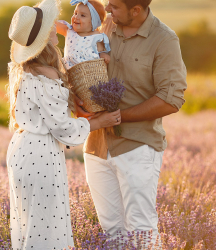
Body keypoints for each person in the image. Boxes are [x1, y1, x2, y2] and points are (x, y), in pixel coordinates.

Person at [5, 0, 122, 248]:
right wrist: (98, 121)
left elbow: (47, 110)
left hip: (22, 150)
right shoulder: (45, 74)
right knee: (46, 229)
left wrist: (73, 105)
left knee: (30, 225)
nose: (54, 28)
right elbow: (63, 130)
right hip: (40, 155)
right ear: (44, 37)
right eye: (49, 26)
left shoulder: (28, 68)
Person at [75, 0, 188, 248]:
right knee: (112, 233)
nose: (107, 8)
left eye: (114, 6)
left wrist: (118, 117)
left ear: (136, 10)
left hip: (138, 146)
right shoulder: (104, 26)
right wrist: (78, 102)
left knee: (141, 230)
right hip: (96, 146)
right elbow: (82, 66)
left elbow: (171, 99)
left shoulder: (164, 39)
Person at [56, 0, 112, 68]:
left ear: (93, 22)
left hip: (88, 73)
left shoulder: (97, 37)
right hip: (69, 72)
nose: (76, 17)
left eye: (82, 15)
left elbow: (100, 52)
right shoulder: (69, 31)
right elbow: (52, 25)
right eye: (75, 13)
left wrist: (103, 55)